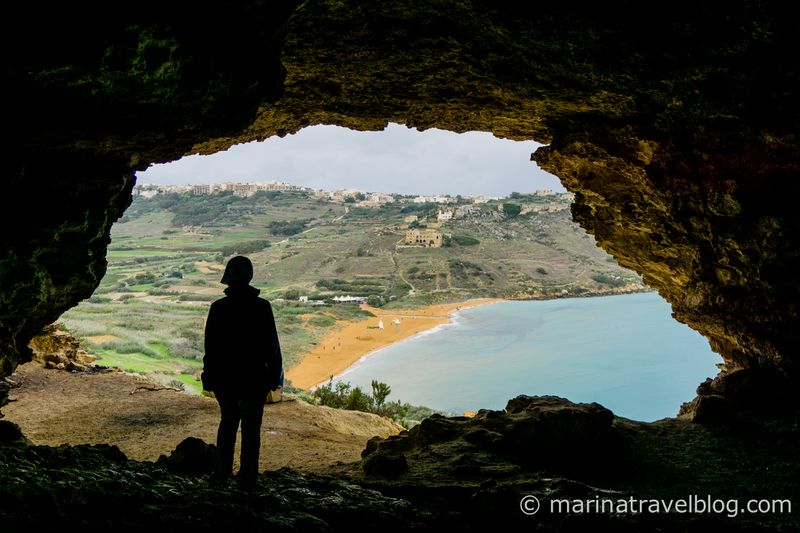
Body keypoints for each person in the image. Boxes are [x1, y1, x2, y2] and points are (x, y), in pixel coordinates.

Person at [201, 255, 283, 490]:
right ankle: (247, 479)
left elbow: (211, 348)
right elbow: (272, 346)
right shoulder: (262, 307)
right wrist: (274, 377)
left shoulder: (218, 308)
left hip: (225, 379)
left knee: (227, 424)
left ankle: (221, 474)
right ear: (249, 276)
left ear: (228, 278)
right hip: (254, 379)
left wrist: (209, 376)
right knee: (251, 430)